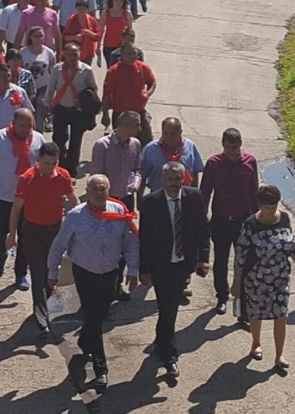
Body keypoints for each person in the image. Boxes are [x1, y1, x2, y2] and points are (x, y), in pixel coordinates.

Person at [47, 174, 139, 389]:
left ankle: (84, 340)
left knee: (99, 313)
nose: (99, 193)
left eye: (103, 189)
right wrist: (52, 272)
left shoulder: (119, 211)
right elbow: (59, 245)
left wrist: (133, 269)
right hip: (85, 274)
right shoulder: (75, 216)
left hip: (110, 274)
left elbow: (130, 241)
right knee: (95, 319)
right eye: (95, 189)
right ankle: (101, 369)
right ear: (87, 192)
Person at [139, 162, 210, 378]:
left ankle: (161, 341)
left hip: (183, 265)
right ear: (163, 180)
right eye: (170, 179)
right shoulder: (150, 203)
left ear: (183, 179)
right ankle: (169, 357)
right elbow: (145, 239)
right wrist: (144, 270)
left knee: (169, 309)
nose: (174, 184)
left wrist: (203, 259)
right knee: (167, 308)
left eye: (178, 179)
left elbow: (202, 230)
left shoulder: (194, 197)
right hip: (161, 266)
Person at [7, 142, 79, 336]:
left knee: (52, 269)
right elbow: (16, 209)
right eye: (47, 163)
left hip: (55, 230)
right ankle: (41, 315)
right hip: (33, 231)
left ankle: (50, 306)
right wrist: (12, 234)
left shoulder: (63, 176)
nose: (50, 167)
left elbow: (74, 202)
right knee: (38, 273)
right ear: (38, 160)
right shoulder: (27, 178)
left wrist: (79, 226)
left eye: (54, 163)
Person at [231, 184, 295, 375]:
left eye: (274, 206)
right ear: (259, 205)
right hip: (256, 279)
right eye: (267, 207)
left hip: (280, 278)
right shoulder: (250, 224)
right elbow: (240, 255)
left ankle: (280, 355)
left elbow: (291, 244)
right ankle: (256, 343)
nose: (271, 211)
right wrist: (236, 282)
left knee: (281, 315)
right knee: (256, 313)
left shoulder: (284, 218)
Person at [0, 108, 43, 288]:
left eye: (29, 125)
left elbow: (44, 166)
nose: (26, 129)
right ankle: (1, 254)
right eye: (22, 125)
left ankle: (20, 273)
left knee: (26, 237)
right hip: (2, 196)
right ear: (13, 124)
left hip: (28, 198)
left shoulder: (38, 139)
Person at [200, 128, 258, 316]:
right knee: (221, 261)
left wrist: (257, 220)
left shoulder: (250, 162)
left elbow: (254, 192)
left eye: (235, 147)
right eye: (228, 147)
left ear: (240, 144)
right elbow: (205, 192)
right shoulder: (214, 163)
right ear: (223, 145)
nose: (232, 151)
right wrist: (201, 218)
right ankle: (222, 297)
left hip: (244, 220)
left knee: (243, 262)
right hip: (221, 220)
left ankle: (242, 302)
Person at [91, 111, 143, 300]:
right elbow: (96, 177)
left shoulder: (135, 144)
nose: (140, 129)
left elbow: (137, 169)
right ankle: (101, 286)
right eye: (136, 125)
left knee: (124, 242)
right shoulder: (102, 146)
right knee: (105, 243)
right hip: (106, 201)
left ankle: (116, 285)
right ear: (124, 125)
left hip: (126, 200)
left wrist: (136, 183)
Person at [44, 43, 98, 174]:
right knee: (59, 138)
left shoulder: (86, 70)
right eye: (69, 54)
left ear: (79, 54)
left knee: (76, 139)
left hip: (77, 110)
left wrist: (84, 99)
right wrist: (48, 106)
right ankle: (60, 165)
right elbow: (51, 88)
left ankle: (72, 166)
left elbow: (93, 89)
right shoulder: (57, 69)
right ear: (64, 54)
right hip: (60, 107)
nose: (72, 57)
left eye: (75, 54)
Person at [101, 44, 156, 146]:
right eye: (129, 54)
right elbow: (107, 94)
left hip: (139, 113)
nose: (133, 56)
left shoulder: (143, 68)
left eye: (135, 53)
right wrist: (105, 114)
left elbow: (152, 82)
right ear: (122, 55)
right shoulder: (113, 71)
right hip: (120, 115)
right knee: (120, 144)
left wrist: (147, 93)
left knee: (147, 142)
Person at [139, 117, 204, 195]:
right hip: (158, 196)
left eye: (173, 133)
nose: (169, 137)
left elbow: (194, 173)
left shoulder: (190, 146)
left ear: (180, 132)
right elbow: (142, 176)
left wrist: (193, 195)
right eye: (165, 133)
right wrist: (140, 199)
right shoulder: (151, 149)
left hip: (183, 197)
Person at [20, 26, 57, 131]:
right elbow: (19, 70)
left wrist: (53, 90)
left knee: (40, 112)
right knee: (29, 112)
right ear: (30, 37)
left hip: (43, 87)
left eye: (41, 36)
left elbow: (54, 72)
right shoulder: (23, 52)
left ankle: (39, 135)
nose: (39, 38)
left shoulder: (49, 52)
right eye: (36, 36)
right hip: (27, 88)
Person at [63, 0, 101, 66]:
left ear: (87, 9)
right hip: (73, 53)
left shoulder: (92, 20)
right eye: (79, 8)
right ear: (76, 9)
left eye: (84, 8)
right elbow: (64, 37)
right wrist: (75, 37)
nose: (81, 10)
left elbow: (98, 36)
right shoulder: (71, 20)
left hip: (88, 53)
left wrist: (89, 33)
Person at [99, 0, 133, 65]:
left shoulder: (127, 14)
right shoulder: (105, 13)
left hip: (123, 46)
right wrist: (98, 46)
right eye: (116, 0)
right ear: (112, 1)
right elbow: (101, 31)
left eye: (121, 1)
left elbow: (130, 32)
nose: (118, 3)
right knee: (111, 68)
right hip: (108, 45)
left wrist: (130, 46)